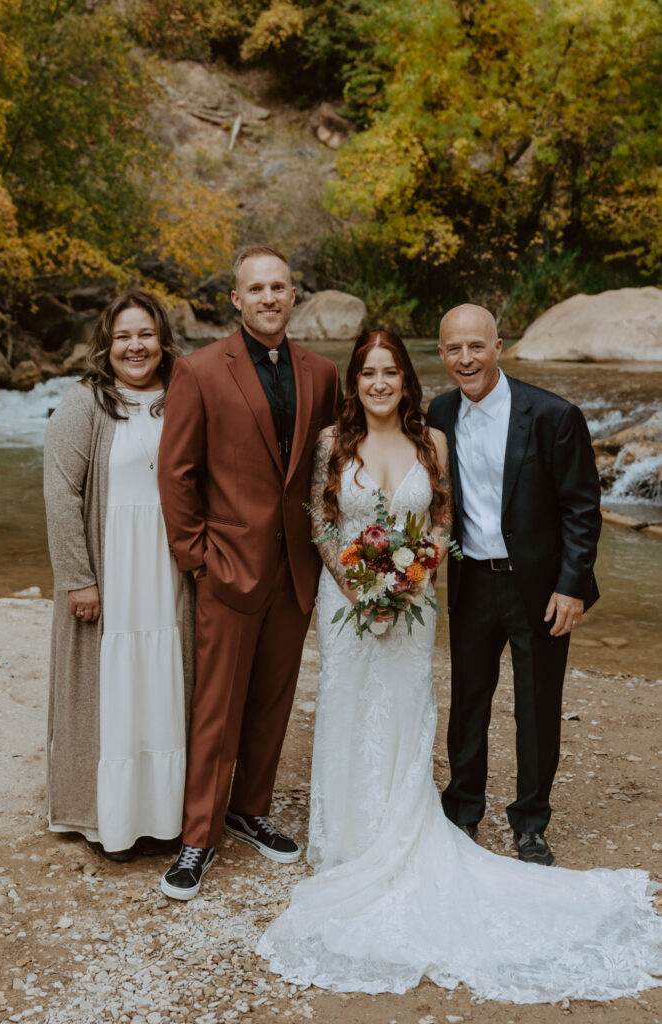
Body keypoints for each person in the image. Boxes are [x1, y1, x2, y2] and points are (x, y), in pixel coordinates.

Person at [256, 328, 662, 1000]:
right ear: (356, 379)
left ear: (495, 346)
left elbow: (450, 518)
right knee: (425, 700)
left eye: (392, 371)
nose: (381, 382)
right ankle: (414, 819)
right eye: (369, 372)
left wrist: (408, 579)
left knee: (511, 700)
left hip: (477, 586)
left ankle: (524, 823)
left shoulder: (504, 423)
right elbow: (322, 520)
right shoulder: (368, 433)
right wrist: (363, 585)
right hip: (388, 595)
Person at [157, 245, 340, 900]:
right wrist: (196, 558)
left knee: (271, 699)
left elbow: (330, 469)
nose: (268, 297)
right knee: (217, 705)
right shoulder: (199, 371)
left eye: (279, 286)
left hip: (295, 569)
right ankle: (197, 836)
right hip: (226, 567)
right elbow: (176, 473)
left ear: (294, 295)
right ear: (234, 300)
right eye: (255, 288)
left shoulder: (322, 374)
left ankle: (249, 808)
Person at [427, 303, 602, 866]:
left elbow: (581, 507)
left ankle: (530, 822)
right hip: (471, 581)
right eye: (454, 348)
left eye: (476, 346)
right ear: (442, 354)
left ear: (499, 347)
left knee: (536, 705)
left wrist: (572, 585)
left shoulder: (553, 415)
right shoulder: (439, 412)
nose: (466, 358)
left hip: (539, 587)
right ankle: (462, 811)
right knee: (467, 703)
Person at [44, 290, 194, 861]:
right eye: (124, 336)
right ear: (105, 344)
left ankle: (163, 817)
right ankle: (111, 818)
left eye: (146, 335)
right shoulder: (83, 404)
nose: (136, 346)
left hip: (166, 570)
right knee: (111, 687)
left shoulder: (183, 395)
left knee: (166, 682)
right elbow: (60, 496)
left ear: (163, 341)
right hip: (111, 568)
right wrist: (78, 578)